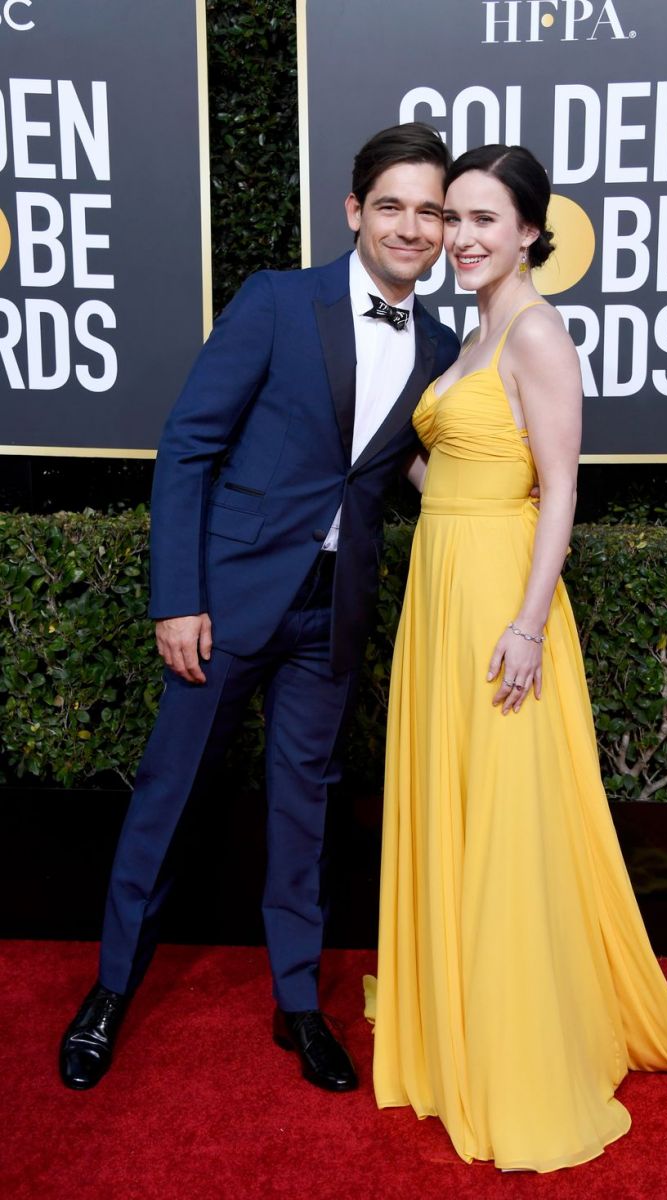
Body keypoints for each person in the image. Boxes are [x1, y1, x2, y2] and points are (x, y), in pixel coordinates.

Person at [368, 144, 667, 1172]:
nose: (459, 238)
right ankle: (458, 1010)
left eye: (482, 221)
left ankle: (515, 1038)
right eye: (451, 220)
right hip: (444, 582)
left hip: (499, 601)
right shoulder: (468, 332)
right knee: (458, 799)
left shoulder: (538, 331)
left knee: (508, 816)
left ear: (528, 233)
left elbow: (558, 488)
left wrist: (524, 625)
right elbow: (457, 472)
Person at [58, 122, 460, 1093]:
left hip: (335, 611)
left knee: (305, 812)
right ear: (355, 210)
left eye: (433, 211)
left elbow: (407, 469)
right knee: (169, 792)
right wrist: (180, 598)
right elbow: (189, 444)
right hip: (227, 601)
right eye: (395, 205)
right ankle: (111, 991)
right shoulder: (279, 301)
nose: (413, 227)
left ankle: (297, 1005)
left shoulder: (444, 342)